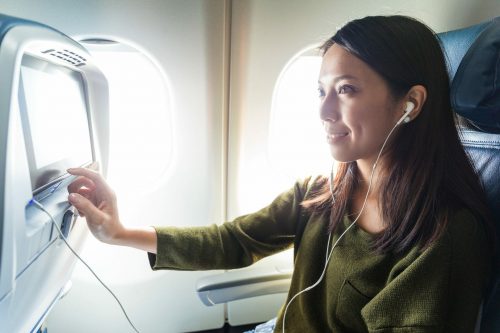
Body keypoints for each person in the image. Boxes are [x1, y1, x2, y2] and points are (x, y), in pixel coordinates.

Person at [67, 15, 494, 333]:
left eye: (346, 89)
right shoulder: (322, 191)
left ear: (411, 104)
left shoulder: (443, 237)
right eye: (321, 90)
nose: (324, 111)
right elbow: (232, 241)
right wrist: (119, 233)